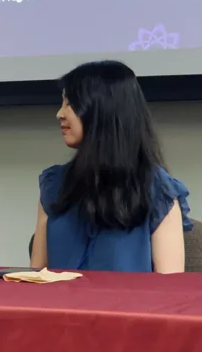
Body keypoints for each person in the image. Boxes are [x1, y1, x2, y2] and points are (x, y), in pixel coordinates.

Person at [30, 60, 192, 273]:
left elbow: (170, 289)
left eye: (70, 104)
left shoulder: (157, 189)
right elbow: (34, 277)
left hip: (129, 306)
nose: (60, 114)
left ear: (102, 110)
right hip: (60, 305)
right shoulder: (54, 185)